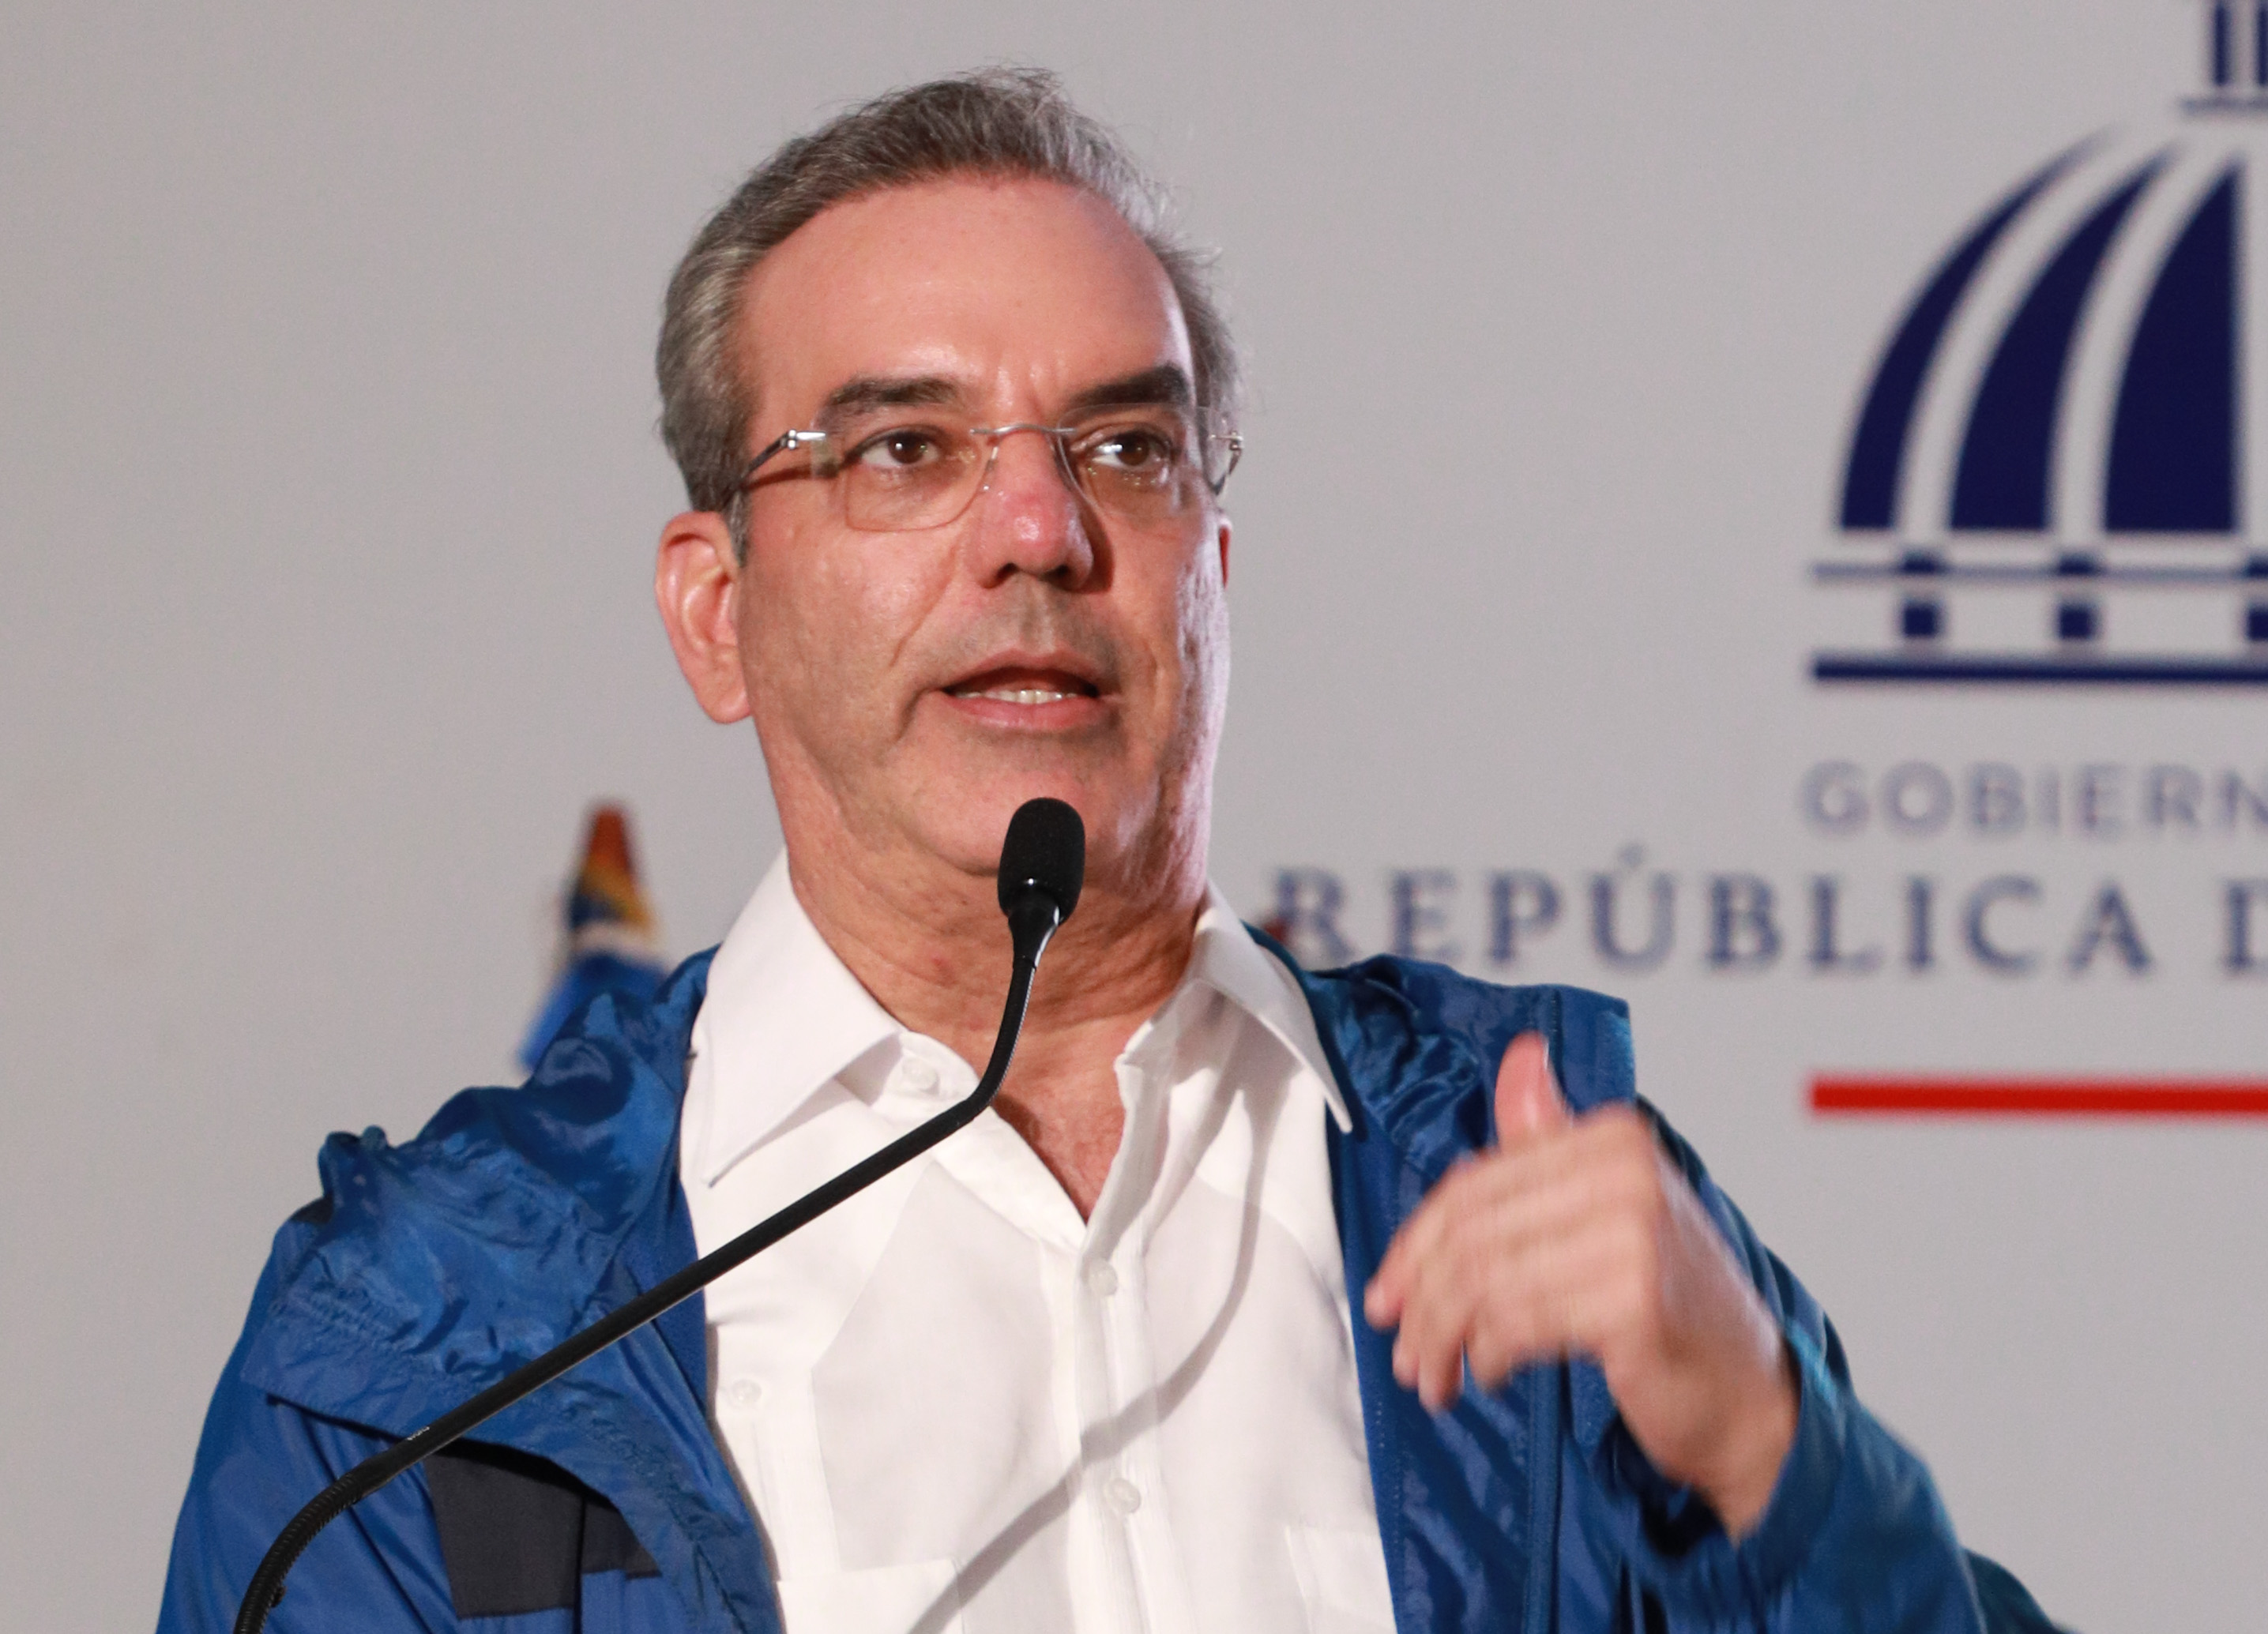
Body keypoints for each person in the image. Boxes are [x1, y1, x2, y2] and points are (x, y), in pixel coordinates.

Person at [158, 70, 2065, 1634]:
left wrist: (1781, 1461)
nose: (1038, 532)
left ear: (1210, 582)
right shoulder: (431, 1339)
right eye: (904, 451)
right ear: (716, 615)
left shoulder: (1527, 1174)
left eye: (1125, 449)